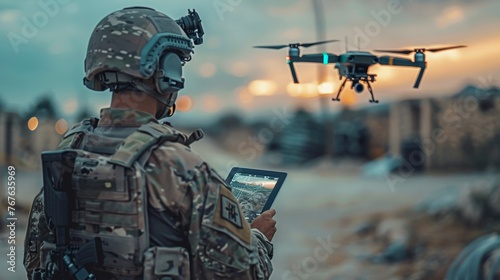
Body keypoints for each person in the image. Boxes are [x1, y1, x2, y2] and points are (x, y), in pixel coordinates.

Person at [23, 6, 276, 280]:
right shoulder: (181, 166)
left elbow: (35, 259)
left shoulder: (69, 151)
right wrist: (258, 237)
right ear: (167, 72)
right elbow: (244, 272)